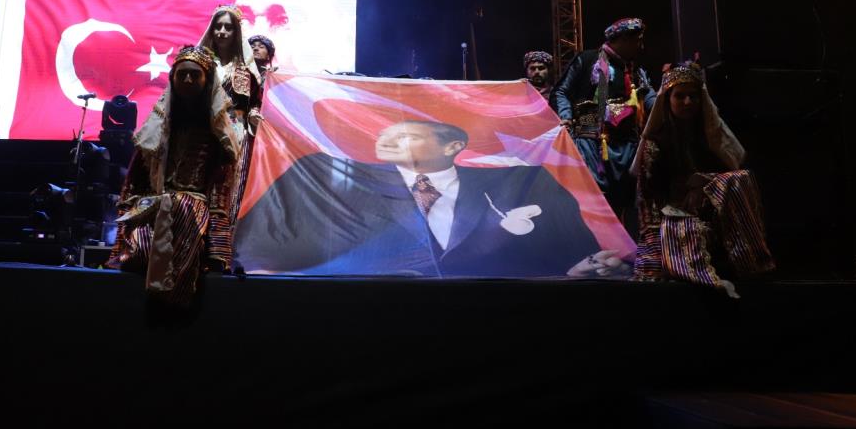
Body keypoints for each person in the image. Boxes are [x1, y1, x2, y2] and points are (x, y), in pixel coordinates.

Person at [236, 119, 629, 279]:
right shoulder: (332, 178)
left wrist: (578, 269)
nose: (388, 140)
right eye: (384, 135)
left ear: (452, 146)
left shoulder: (523, 181)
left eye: (406, 136)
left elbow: (573, 253)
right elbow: (272, 235)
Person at [107, 45, 239, 305]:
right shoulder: (158, 127)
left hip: (193, 206)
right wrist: (130, 215)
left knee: (183, 225)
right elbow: (135, 180)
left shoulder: (217, 133)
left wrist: (218, 245)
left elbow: (221, 189)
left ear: (206, 80)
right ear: (173, 78)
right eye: (182, 74)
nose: (187, 80)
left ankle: (174, 307)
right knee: (140, 250)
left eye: (194, 75)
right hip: (153, 204)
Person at [631, 59, 775, 298]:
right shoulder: (656, 142)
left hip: (714, 214)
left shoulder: (710, 138)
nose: (688, 102)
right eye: (680, 96)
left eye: (693, 96)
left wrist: (705, 185)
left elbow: (731, 181)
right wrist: (655, 240)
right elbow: (648, 199)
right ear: (668, 100)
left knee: (740, 179)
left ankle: (750, 262)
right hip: (673, 220)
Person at [552, 18, 655, 228]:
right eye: (637, 41)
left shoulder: (636, 71)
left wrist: (667, 100)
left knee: (624, 203)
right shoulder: (588, 60)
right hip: (590, 139)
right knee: (596, 202)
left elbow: (651, 100)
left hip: (626, 146)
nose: (641, 46)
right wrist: (566, 117)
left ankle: (623, 245)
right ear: (622, 39)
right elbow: (561, 91)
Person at [198, 5, 263, 241]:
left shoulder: (246, 69)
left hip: (235, 130)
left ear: (236, 32)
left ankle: (222, 245)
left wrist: (253, 113)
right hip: (202, 130)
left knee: (229, 187)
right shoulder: (200, 62)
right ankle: (196, 240)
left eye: (228, 27)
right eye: (218, 26)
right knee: (200, 184)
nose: (222, 32)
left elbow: (255, 100)